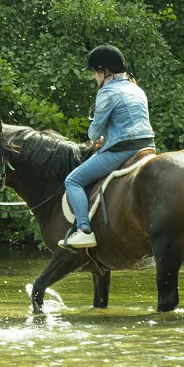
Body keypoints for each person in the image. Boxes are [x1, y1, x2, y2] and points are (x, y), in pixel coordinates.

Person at [60, 45, 156, 249]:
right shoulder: (135, 88)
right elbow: (129, 123)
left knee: (73, 180)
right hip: (147, 146)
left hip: (121, 151)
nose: (94, 77)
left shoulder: (107, 91)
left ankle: (84, 230)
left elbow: (94, 133)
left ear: (105, 71)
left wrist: (98, 139)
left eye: (95, 72)